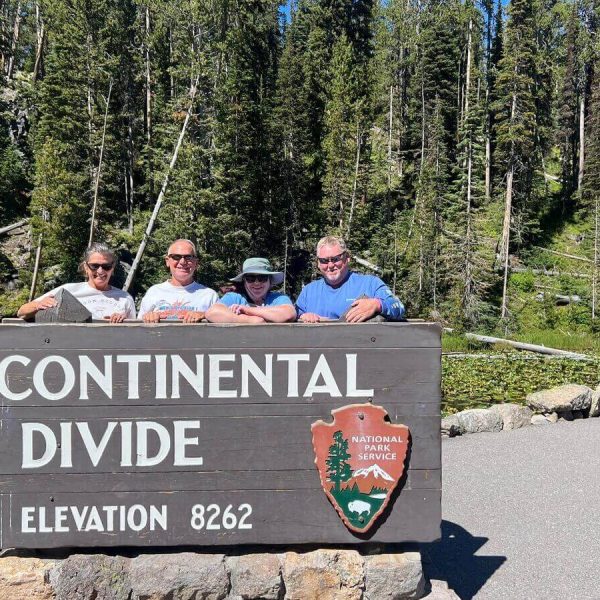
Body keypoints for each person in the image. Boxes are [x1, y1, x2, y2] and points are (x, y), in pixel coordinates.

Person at [295, 235, 405, 323]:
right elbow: (293, 317)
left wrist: (377, 304)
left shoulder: (370, 283)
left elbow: (399, 307)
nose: (330, 265)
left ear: (347, 258)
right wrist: (303, 317)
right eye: (324, 261)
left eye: (335, 259)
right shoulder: (308, 292)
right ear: (318, 263)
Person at [17, 243, 135, 322]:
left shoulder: (125, 298)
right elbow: (21, 312)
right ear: (86, 267)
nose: (100, 271)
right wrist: (39, 305)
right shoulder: (68, 291)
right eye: (94, 266)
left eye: (106, 266)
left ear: (112, 268)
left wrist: (123, 320)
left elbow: (135, 333)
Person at [138, 239, 218, 323]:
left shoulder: (209, 295)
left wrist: (205, 315)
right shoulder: (154, 292)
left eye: (188, 257)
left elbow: (220, 329)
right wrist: (148, 317)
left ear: (196, 263)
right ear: (167, 261)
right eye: (176, 257)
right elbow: (137, 328)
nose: (182, 262)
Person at [206, 257, 296, 324]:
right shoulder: (234, 297)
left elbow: (288, 314)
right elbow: (212, 312)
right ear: (244, 281)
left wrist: (246, 310)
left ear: (270, 281)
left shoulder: (278, 298)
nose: (256, 283)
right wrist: (249, 320)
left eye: (262, 278)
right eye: (250, 278)